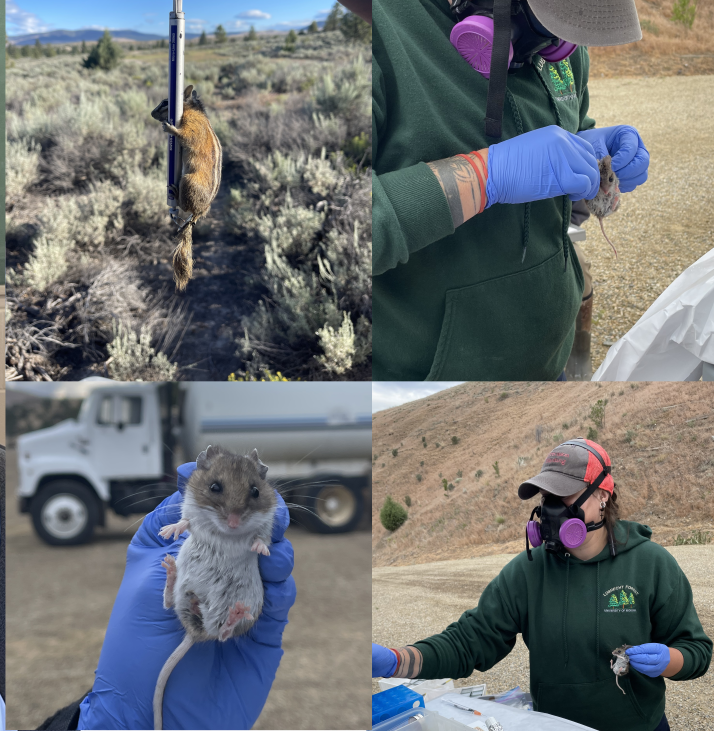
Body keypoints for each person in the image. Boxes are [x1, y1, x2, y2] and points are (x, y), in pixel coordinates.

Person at [373, 0, 652, 379]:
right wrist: (485, 174)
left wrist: (591, 158)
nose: (560, 46)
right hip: (433, 393)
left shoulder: (560, 43)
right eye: (550, 19)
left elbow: (562, 129)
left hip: (549, 361)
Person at [372, 439, 710, 731]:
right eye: (546, 496)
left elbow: (697, 649)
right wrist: (398, 660)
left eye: (563, 497)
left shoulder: (651, 563)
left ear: (603, 494)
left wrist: (671, 660)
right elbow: (469, 640)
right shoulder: (528, 570)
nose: (549, 511)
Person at [37, 462, 296, 731]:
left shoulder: (260, 507)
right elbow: (190, 517)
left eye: (252, 494)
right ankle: (180, 590)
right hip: (195, 599)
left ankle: (227, 623)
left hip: (229, 594)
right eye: (217, 489)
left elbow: (262, 530)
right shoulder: (199, 495)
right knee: (182, 563)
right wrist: (182, 523)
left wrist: (259, 541)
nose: (232, 518)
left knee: (252, 599)